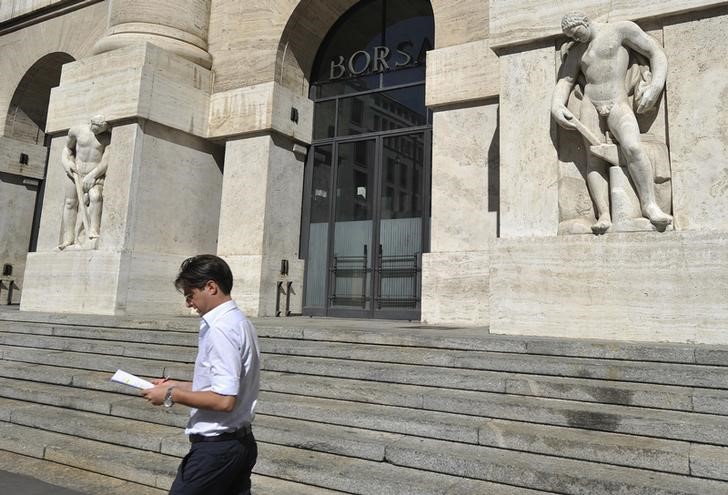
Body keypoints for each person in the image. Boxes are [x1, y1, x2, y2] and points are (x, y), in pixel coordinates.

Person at [143, 255, 261, 495]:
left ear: (211, 287)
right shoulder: (239, 322)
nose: (189, 303)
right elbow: (221, 384)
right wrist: (178, 384)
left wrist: (170, 394)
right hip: (238, 442)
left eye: (190, 294)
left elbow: (224, 399)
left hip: (217, 449)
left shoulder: (221, 329)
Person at [551, 12, 673, 234]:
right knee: (594, 160)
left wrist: (655, 87)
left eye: (577, 33)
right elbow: (566, 80)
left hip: (617, 100)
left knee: (633, 148)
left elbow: (655, 52)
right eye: (571, 37)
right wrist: (557, 105)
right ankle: (604, 213)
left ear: (585, 22)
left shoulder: (620, 30)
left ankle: (650, 205)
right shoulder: (578, 50)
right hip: (590, 104)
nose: (576, 39)